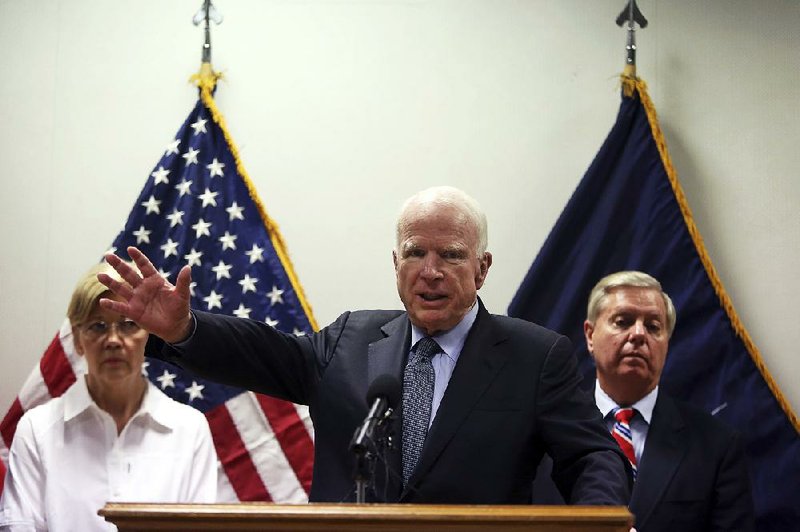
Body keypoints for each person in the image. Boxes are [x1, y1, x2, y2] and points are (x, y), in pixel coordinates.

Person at [98, 186, 631, 504]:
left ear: (482, 268)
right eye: (415, 252)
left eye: (450, 254)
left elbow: (591, 457)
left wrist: (600, 519)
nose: (431, 271)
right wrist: (182, 328)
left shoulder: (535, 357)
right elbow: (264, 353)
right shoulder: (351, 340)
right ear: (395, 265)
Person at [0, 263, 217, 532]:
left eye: (128, 324)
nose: (113, 340)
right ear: (78, 340)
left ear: (147, 336)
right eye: (98, 326)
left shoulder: (190, 429)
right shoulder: (36, 430)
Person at [584, 271, 754, 531]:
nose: (639, 334)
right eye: (623, 321)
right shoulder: (543, 430)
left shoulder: (717, 446)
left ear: (667, 344)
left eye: (653, 326)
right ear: (590, 335)